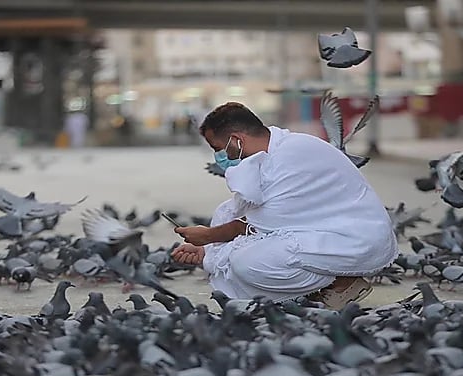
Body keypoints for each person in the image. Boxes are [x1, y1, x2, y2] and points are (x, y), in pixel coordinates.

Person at [171, 102, 398, 309]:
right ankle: (319, 286)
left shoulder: (291, 155)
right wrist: (206, 250)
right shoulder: (270, 153)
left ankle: (343, 281)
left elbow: (257, 225)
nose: (218, 156)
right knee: (226, 213)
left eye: (218, 148)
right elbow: (241, 215)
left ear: (237, 140)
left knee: (247, 264)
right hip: (325, 231)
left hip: (358, 238)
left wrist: (208, 237)